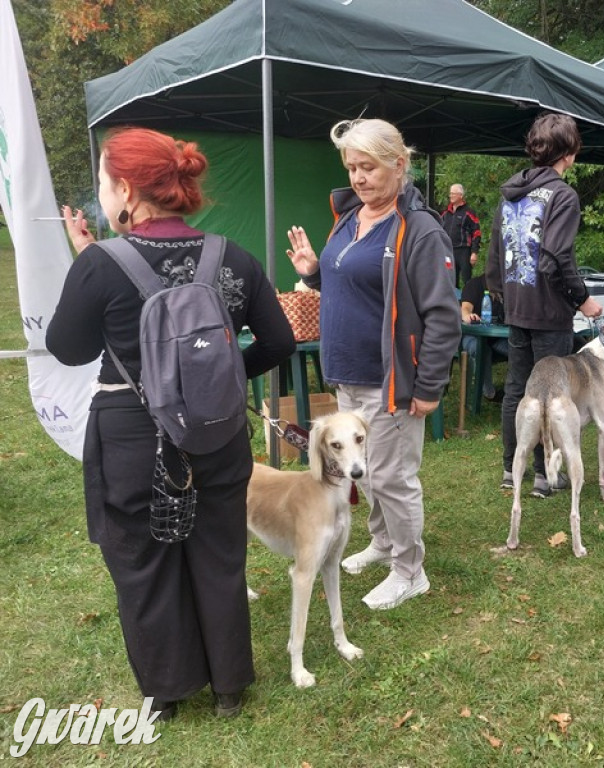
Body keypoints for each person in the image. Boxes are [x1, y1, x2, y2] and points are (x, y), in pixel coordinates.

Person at [45, 127, 296, 721]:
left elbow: (67, 348)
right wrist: (225, 377)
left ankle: (170, 689)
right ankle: (229, 686)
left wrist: (87, 261)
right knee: (218, 550)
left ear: (126, 189)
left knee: (141, 559)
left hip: (131, 435)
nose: (102, 196)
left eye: (104, 184)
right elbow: (280, 341)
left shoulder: (101, 263)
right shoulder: (231, 256)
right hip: (218, 428)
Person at [286, 118, 460, 611]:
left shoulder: (419, 231)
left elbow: (442, 316)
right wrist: (316, 274)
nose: (358, 178)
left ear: (399, 165)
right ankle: (383, 545)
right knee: (362, 470)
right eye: (351, 168)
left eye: (368, 167)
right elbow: (356, 288)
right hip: (347, 373)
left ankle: (410, 570)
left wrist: (429, 384)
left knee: (391, 477)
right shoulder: (349, 217)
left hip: (392, 381)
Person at [486, 112, 603, 497]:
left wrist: (500, 294)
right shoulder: (563, 195)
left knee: (519, 389)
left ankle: (510, 468)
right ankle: (542, 474)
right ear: (568, 152)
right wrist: (583, 299)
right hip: (549, 311)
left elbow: (494, 254)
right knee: (552, 395)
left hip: (517, 305)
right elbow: (557, 257)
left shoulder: (511, 194)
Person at [460, 273, 508, 401]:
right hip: (474, 336)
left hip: (498, 338)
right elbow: (465, 309)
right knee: (481, 348)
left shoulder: (508, 287)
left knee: (520, 348)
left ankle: (513, 391)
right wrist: (468, 316)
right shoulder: (474, 285)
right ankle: (489, 393)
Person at [440, 183, 481, 289]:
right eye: (450, 193)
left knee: (467, 279)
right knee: (450, 279)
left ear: (460, 195)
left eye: (453, 193)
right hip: (449, 250)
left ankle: (468, 303)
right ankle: (453, 303)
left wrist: (474, 252)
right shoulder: (445, 213)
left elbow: (476, 232)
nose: (451, 196)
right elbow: (440, 231)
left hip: (464, 251)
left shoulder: (469, 212)